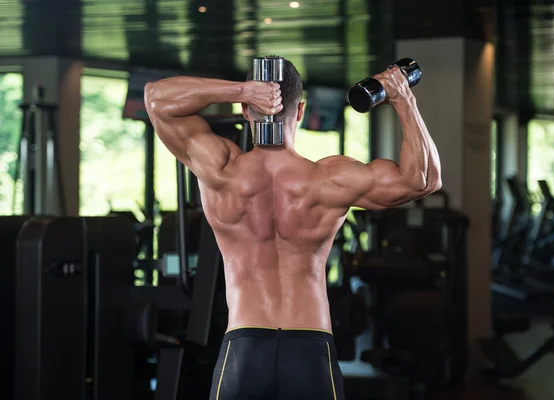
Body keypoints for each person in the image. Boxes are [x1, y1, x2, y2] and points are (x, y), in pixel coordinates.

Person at [144, 57, 441, 400]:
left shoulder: (221, 169)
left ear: (245, 110)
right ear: (300, 111)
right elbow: (423, 181)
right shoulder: (330, 179)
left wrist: (240, 91)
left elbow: (156, 99)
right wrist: (403, 98)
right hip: (310, 348)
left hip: (244, 349)